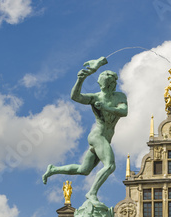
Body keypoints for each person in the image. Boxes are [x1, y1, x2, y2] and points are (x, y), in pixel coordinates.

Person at [42, 57, 128, 202]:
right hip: (97, 136)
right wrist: (80, 80)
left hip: (105, 138)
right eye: (103, 83)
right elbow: (75, 96)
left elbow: (124, 111)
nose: (105, 86)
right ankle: (92, 193)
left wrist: (105, 107)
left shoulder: (119, 96)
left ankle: (53, 169)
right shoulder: (95, 97)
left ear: (112, 84)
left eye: (107, 83)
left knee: (84, 170)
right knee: (110, 165)